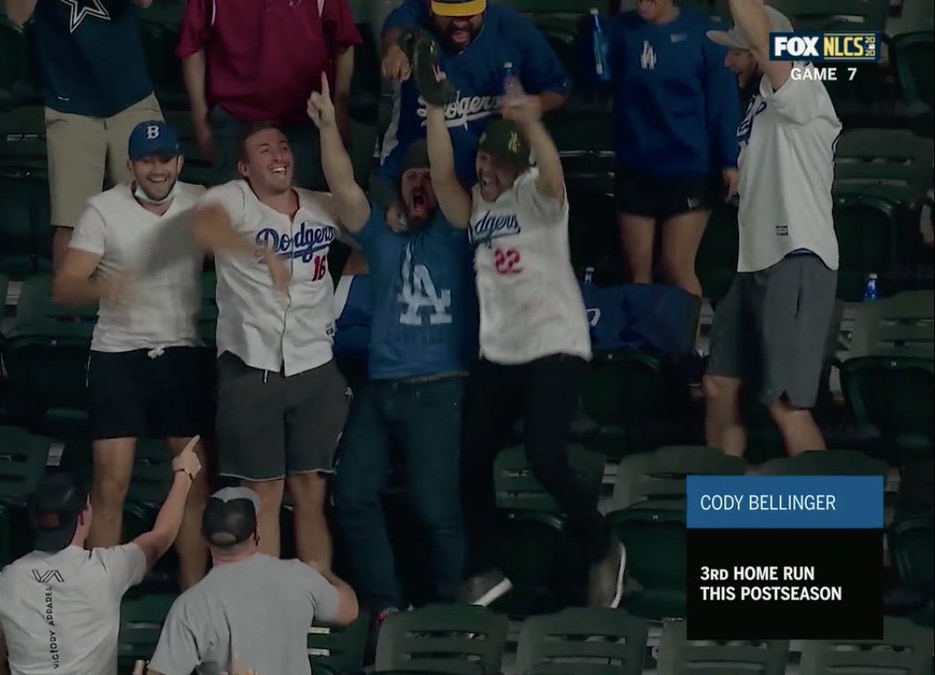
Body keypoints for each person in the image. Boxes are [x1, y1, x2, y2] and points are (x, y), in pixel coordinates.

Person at [420, 42, 627, 607]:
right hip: (500, 352)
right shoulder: (479, 208)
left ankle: (601, 547)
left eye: (499, 164)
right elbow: (442, 176)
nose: (487, 170)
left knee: (544, 455)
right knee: (470, 459)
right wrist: (435, 111)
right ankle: (485, 569)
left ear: (519, 168)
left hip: (554, 343)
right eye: (485, 160)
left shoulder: (538, 199)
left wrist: (533, 124)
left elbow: (554, 177)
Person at [308, 73, 472, 622]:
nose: (420, 183)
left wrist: (435, 112)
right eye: (410, 176)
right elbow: (344, 189)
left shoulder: (455, 232)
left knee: (436, 508)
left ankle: (449, 611)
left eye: (427, 177)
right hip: (381, 391)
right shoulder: (381, 234)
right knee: (352, 495)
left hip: (437, 390)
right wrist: (327, 127)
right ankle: (385, 605)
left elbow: (445, 174)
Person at [52, 119, 213, 587]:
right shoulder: (103, 209)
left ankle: (193, 595)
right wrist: (104, 286)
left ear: (179, 161)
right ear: (130, 165)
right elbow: (64, 285)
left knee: (194, 483)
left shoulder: (202, 201)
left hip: (181, 354)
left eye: (165, 159)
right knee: (110, 487)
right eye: (146, 160)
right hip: (118, 357)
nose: (157, 169)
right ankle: (103, 597)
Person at [192, 122, 351, 568]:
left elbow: (367, 227)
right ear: (245, 167)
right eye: (264, 150)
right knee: (263, 494)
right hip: (252, 367)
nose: (278, 155)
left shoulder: (321, 205)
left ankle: (315, 594)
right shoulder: (233, 199)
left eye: (283, 146)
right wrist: (258, 250)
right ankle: (269, 601)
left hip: (314, 366)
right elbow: (203, 226)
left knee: (311, 491)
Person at [702, 0, 840, 458]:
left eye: (736, 52)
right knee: (719, 385)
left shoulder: (803, 85)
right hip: (751, 262)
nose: (728, 62)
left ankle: (830, 503)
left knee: (786, 406)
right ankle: (726, 495)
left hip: (796, 258)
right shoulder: (758, 105)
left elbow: (765, 40)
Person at [0, 439, 202, 675]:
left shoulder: (6, 581)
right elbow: (162, 535)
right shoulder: (108, 569)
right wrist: (184, 475)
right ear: (83, 517)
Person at [4, 0, 164, 269]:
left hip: (131, 97)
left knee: (151, 212)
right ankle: (70, 296)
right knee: (73, 223)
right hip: (69, 103)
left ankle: (151, 295)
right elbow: (16, 14)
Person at [146, 488, 359, 675]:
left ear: (203, 537)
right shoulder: (299, 576)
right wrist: (325, 573)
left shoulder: (192, 605)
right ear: (256, 534)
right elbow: (349, 610)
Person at [607, 0, 740, 295]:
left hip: (688, 167)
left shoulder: (704, 35)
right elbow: (596, 81)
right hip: (636, 166)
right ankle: (642, 327)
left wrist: (729, 159)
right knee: (637, 271)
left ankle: (688, 327)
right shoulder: (619, 31)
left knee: (676, 266)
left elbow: (723, 102)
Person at [378, 0, 570, 188]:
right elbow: (396, 27)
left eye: (469, 12)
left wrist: (536, 106)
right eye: (450, 13)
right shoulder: (416, 18)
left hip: (495, 181)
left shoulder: (511, 28)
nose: (460, 22)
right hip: (425, 180)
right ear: (430, 8)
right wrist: (394, 49)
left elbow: (559, 88)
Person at [176, 0, 362, 191]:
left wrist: (340, 109)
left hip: (306, 118)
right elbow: (192, 46)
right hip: (234, 117)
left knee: (309, 202)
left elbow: (344, 41)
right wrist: (199, 117)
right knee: (232, 203)